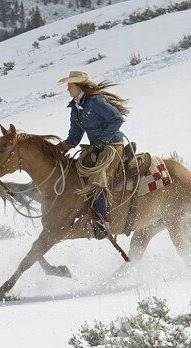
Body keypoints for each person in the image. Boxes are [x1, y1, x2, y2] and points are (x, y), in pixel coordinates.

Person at [56, 71, 130, 238]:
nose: (68, 89)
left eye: (70, 86)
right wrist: (56, 150)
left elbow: (117, 119)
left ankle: (102, 220)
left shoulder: (95, 101)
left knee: (97, 176)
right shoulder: (75, 108)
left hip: (112, 144)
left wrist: (102, 140)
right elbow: (74, 136)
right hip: (95, 148)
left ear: (78, 86)